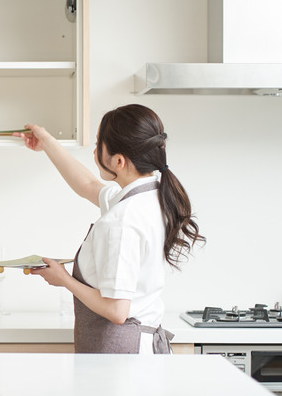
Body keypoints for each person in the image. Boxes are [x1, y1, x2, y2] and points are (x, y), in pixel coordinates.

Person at [13, 103, 205, 354]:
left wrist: (64, 279)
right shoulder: (150, 196)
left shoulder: (123, 219)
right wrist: (46, 142)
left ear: (118, 160)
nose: (94, 153)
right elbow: (88, 185)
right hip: (140, 348)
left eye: (97, 145)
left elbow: (117, 311)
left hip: (124, 355)